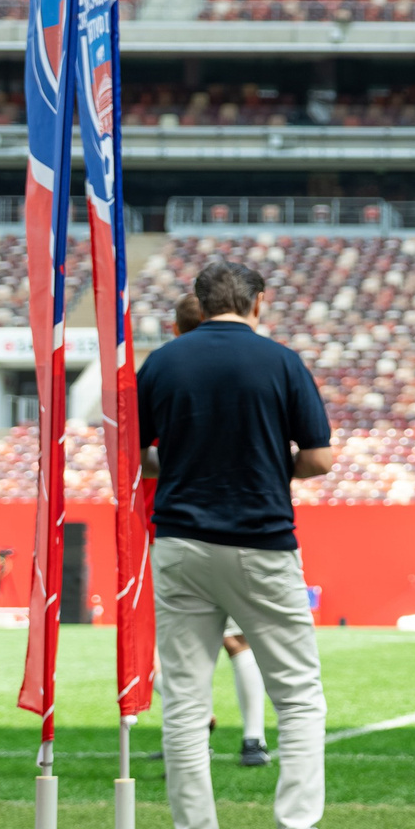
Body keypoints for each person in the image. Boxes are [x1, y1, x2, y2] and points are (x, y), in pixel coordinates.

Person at [139, 260, 340, 829]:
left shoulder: (161, 364)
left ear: (198, 302)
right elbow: (320, 459)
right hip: (261, 540)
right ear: (259, 301)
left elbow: (144, 460)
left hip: (180, 542)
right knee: (299, 698)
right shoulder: (281, 361)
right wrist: (274, 466)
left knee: (183, 703)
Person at [173, 290, 270, 770]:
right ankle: (250, 738)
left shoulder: (168, 371)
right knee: (239, 642)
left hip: (176, 529)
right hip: (250, 528)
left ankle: (198, 736)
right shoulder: (256, 367)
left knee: (183, 645)